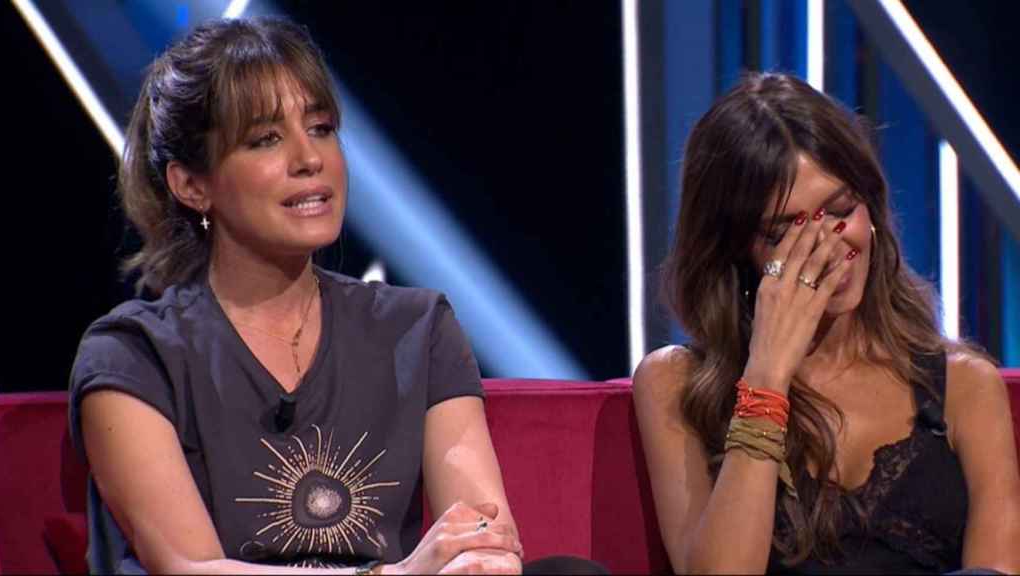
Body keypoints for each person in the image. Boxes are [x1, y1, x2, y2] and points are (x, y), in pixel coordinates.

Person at [69, 16, 588, 575]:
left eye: (320, 128)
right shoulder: (133, 356)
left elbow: (480, 532)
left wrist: (484, 558)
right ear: (192, 185)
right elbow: (186, 567)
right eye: (266, 139)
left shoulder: (416, 328)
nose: (309, 158)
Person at [633, 72, 1020, 574]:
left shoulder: (965, 386)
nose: (825, 247)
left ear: (872, 209)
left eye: (840, 210)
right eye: (784, 232)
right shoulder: (674, 384)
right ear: (736, 249)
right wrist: (767, 374)